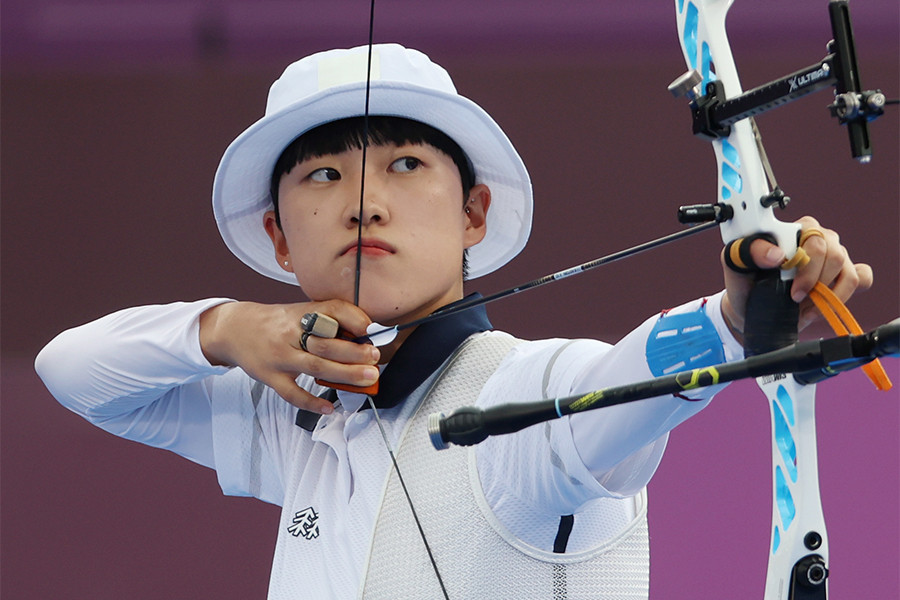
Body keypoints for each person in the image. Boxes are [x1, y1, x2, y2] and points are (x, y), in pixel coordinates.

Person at [35, 44, 871, 599]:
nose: (364, 201)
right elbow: (71, 370)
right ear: (279, 238)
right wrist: (225, 328)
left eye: (404, 164)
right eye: (323, 175)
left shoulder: (514, 399)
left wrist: (734, 321)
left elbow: (614, 379)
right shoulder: (297, 411)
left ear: (473, 214)